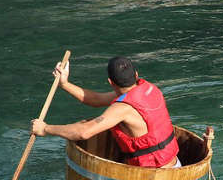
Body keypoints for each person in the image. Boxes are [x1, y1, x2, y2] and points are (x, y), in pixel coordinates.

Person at [31, 56, 181, 168]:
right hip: (175, 167)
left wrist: (45, 129)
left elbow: (84, 132)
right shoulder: (148, 88)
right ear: (136, 75)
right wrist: (64, 84)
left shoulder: (122, 109)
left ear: (110, 82)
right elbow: (96, 99)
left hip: (153, 178)